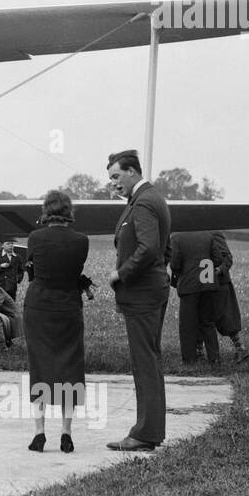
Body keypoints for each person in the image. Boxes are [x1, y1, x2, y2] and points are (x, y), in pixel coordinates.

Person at [105, 149, 171, 451]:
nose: (113, 184)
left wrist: (122, 273)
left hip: (142, 293)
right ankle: (149, 430)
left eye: (116, 176)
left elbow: (148, 248)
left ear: (132, 172)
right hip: (151, 289)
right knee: (149, 361)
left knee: (145, 363)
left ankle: (145, 433)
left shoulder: (144, 202)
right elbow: (160, 249)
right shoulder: (149, 198)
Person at [23, 190, 91, 453]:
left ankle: (39, 432)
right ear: (68, 212)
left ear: (46, 211)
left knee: (40, 366)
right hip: (68, 307)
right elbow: (73, 273)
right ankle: (66, 431)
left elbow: (34, 271)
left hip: (39, 307)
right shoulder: (81, 241)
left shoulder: (35, 238)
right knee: (69, 366)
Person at [168, 230, 224, 365]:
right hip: (208, 283)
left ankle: (189, 359)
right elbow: (218, 259)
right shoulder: (208, 235)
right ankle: (215, 357)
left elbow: (175, 264)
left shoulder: (176, 237)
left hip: (189, 285)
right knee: (208, 322)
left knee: (187, 324)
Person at [209, 232, 249, 363]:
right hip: (202, 284)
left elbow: (228, 258)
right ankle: (199, 350)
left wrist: (219, 270)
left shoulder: (214, 233)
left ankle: (241, 349)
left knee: (227, 317)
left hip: (220, 283)